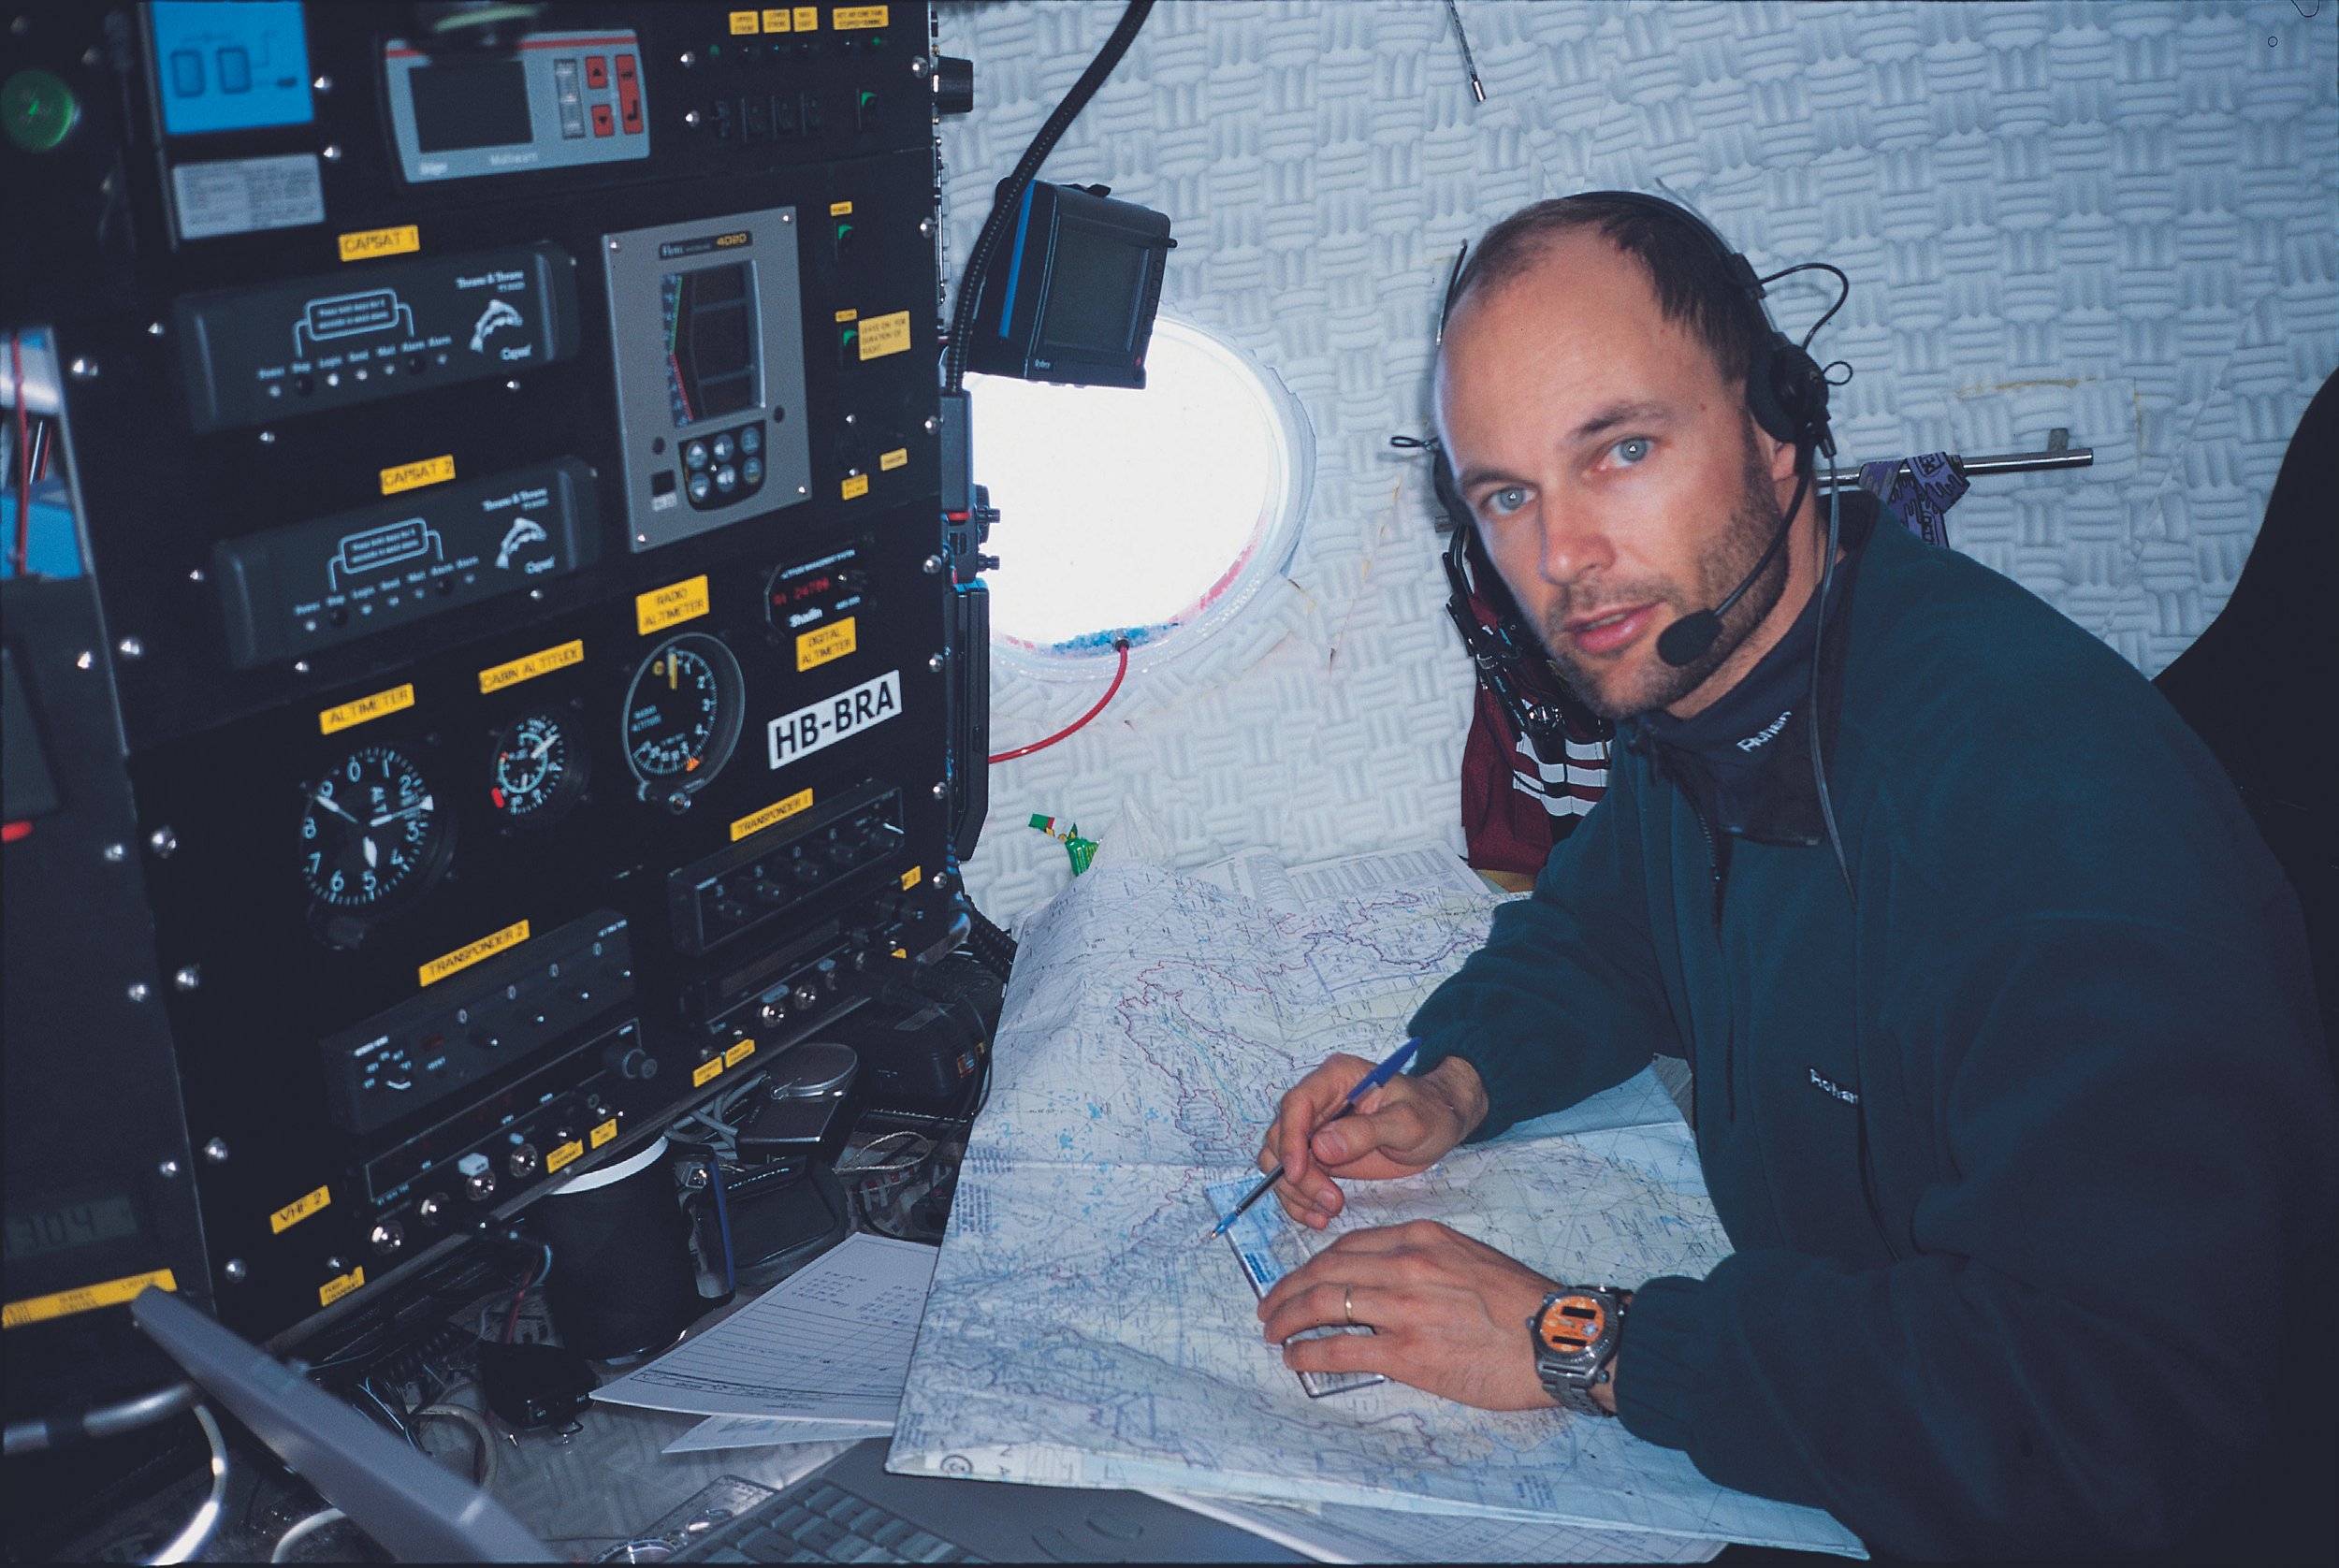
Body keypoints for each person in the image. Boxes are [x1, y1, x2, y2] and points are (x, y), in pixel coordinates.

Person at [1251, 194, 2336, 1558]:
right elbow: (1606, 931)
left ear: (1778, 434)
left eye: (1623, 449)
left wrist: (1581, 1342)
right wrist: (1457, 1078)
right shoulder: (1714, 685)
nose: (1564, 560)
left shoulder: (2048, 823)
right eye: (1510, 496)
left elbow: (2104, 1415)